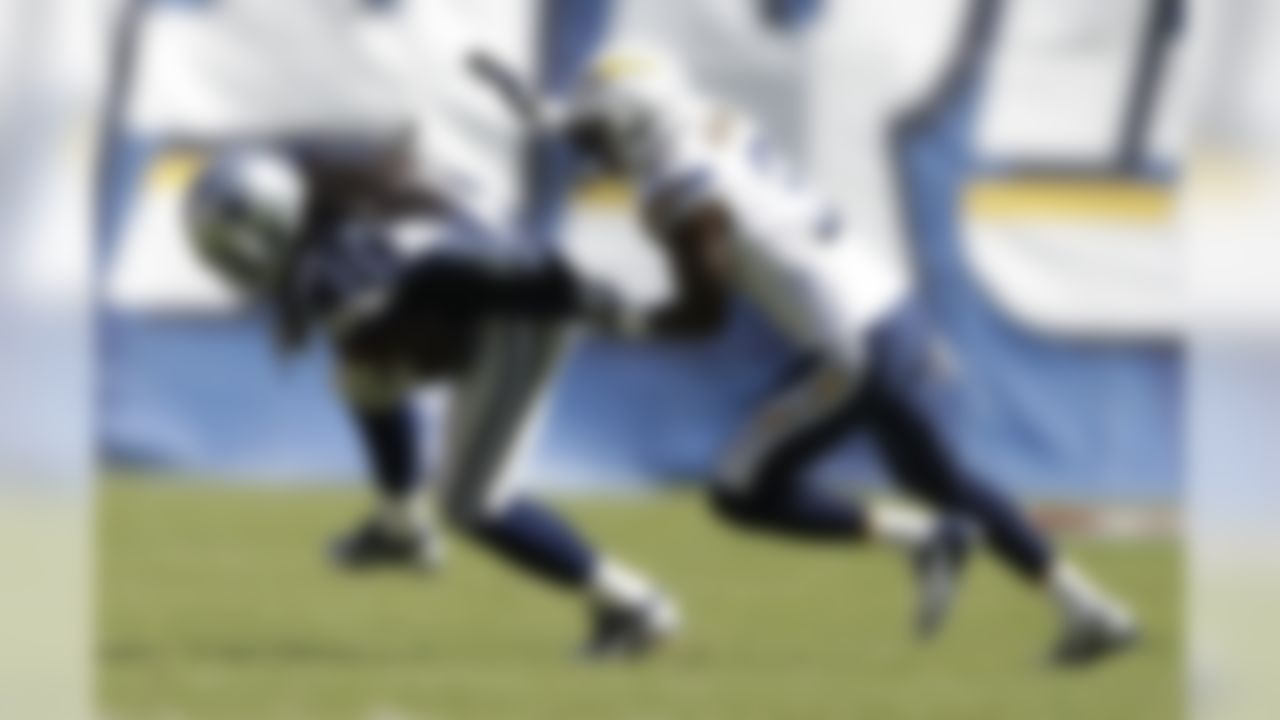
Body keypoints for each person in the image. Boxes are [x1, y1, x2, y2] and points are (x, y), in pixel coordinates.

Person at [535, 45, 1138, 664]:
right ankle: (1089, 609)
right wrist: (569, 121)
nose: (595, 145)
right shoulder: (707, 119)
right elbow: (635, 129)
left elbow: (701, 316)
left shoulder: (679, 192)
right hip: (890, 308)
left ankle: (925, 538)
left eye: (600, 129)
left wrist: (606, 312)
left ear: (637, 122)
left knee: (740, 491)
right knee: (936, 478)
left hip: (850, 350)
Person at [184, 136, 679, 659]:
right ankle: (401, 529)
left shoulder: (339, 265)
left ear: (270, 221)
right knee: (362, 378)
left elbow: (448, 287)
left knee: (472, 504)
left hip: (513, 316)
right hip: (504, 296)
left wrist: (572, 295)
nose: (230, 262)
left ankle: (634, 605)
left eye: (231, 246)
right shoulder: (342, 209)